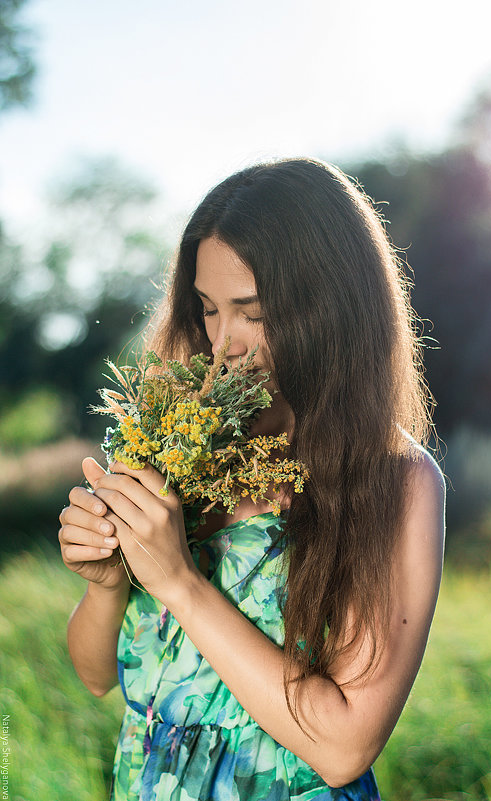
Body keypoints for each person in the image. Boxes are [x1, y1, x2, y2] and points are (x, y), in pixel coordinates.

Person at [60, 156, 446, 801]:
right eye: (209, 309)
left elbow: (344, 746)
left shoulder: (395, 480)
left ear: (330, 309)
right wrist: (105, 587)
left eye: (253, 311)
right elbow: (98, 677)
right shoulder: (183, 445)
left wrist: (178, 580)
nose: (222, 344)